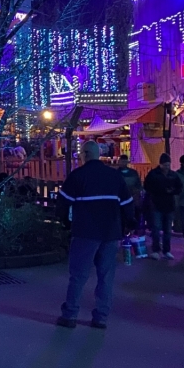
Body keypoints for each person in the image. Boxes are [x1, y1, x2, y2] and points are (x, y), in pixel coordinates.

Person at [55, 141, 134, 329]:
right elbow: (127, 204)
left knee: (78, 275)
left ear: (84, 154)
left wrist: (65, 223)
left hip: (85, 232)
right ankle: (101, 317)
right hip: (110, 233)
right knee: (106, 277)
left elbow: (63, 204)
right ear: (98, 155)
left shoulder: (77, 176)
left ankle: (70, 315)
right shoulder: (114, 177)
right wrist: (127, 225)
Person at [144, 153, 182, 260]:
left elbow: (179, 187)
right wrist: (159, 191)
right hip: (157, 204)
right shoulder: (153, 174)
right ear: (160, 164)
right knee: (156, 228)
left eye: (168, 165)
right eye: (165, 165)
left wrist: (172, 191)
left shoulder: (173, 175)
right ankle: (156, 250)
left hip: (169, 205)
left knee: (167, 230)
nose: (167, 167)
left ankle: (166, 250)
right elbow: (147, 186)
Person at [116, 155, 145, 231]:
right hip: (121, 201)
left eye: (125, 161)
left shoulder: (133, 173)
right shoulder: (116, 173)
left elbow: (138, 186)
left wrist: (137, 194)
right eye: (122, 161)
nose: (123, 163)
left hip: (133, 199)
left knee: (134, 216)